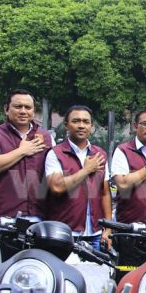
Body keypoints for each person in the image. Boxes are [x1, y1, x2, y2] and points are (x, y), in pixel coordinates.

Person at [0, 88, 52, 220]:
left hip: (39, 217)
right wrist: (21, 151)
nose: (23, 111)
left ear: (33, 112)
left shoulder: (46, 137)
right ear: (6, 109)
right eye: (18, 106)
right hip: (1, 217)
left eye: (28, 107)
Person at [45, 106, 111, 250]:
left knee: (95, 272)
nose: (81, 125)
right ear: (66, 125)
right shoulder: (55, 153)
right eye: (76, 121)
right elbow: (57, 187)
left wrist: (108, 228)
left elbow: (105, 192)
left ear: (91, 126)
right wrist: (86, 170)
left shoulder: (99, 154)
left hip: (95, 233)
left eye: (86, 122)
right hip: (65, 234)